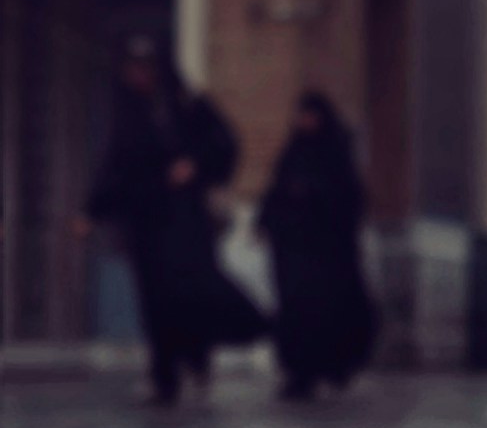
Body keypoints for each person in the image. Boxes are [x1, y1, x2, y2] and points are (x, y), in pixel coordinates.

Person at [84, 36, 266, 403]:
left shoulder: (186, 105)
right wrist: (93, 209)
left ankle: (198, 355)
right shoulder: (129, 114)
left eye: (145, 68)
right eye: (132, 69)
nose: (138, 76)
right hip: (147, 223)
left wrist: (194, 166)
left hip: (185, 223)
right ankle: (165, 376)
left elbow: (223, 143)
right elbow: (115, 164)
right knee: (156, 301)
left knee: (193, 291)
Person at [259, 92, 380, 399]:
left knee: (328, 313)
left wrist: (314, 196)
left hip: (327, 257)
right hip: (294, 253)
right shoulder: (294, 153)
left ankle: (331, 366)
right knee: (296, 312)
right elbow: (276, 192)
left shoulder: (336, 155)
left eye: (311, 115)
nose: (305, 122)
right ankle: (299, 372)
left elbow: (347, 200)